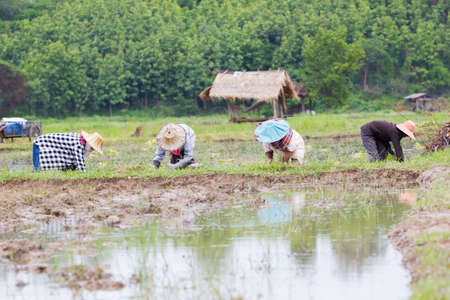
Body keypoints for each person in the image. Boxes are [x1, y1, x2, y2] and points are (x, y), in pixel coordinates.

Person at [33, 131, 103, 172]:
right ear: (88, 142)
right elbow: (80, 163)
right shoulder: (79, 144)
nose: (91, 150)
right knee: (38, 169)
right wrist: (85, 175)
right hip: (41, 144)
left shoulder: (81, 140)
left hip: (45, 143)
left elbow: (73, 160)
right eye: (92, 148)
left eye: (93, 149)